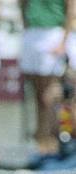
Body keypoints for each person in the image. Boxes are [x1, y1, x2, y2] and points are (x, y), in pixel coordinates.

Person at [19, 0, 72, 155]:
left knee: (50, 94)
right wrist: (26, 26)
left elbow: (70, 10)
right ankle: (42, 137)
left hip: (54, 33)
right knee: (38, 93)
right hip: (33, 32)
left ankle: (55, 137)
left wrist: (63, 41)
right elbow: (23, 4)